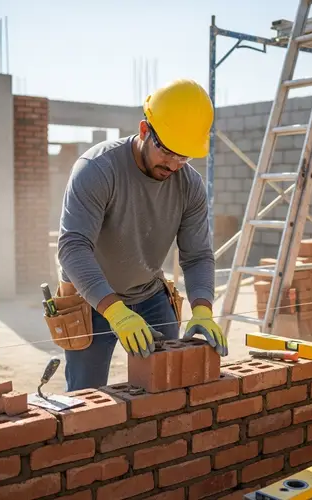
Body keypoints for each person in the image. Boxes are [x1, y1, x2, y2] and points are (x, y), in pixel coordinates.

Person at [56, 78, 228, 391]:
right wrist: (115, 312)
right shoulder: (97, 169)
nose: (175, 165)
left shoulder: (190, 186)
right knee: (86, 398)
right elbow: (72, 248)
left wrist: (202, 308)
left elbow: (198, 254)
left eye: (184, 156)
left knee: (167, 387)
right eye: (168, 152)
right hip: (90, 300)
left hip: (149, 295)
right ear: (145, 131)